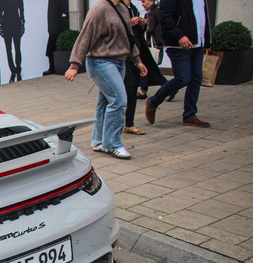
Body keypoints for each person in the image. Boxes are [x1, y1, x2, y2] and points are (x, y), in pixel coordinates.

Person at [65, 0, 147, 159]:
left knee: (105, 101)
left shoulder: (123, 8)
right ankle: (113, 144)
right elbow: (85, 37)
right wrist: (75, 64)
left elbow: (128, 38)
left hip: (120, 62)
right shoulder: (99, 9)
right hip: (100, 62)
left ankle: (97, 141)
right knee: (119, 100)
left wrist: (137, 60)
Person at [145, 0, 210, 127]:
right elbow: (165, 18)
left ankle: (189, 116)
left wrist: (205, 41)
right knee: (182, 79)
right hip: (177, 44)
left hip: (197, 44)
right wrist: (179, 36)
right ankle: (153, 101)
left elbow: (203, 18)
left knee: (196, 79)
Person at [122, 0, 166, 135]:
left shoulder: (132, 8)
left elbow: (139, 32)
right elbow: (111, 28)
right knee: (121, 91)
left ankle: (129, 123)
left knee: (133, 86)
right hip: (122, 54)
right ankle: (118, 124)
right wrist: (129, 23)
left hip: (137, 51)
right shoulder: (115, 7)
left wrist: (141, 25)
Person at [0, 0, 25, 82]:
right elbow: (21, 7)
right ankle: (16, 70)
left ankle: (14, 70)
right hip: (14, 21)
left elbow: (0, 9)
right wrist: (22, 19)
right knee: (16, 48)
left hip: (7, 22)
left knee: (10, 49)